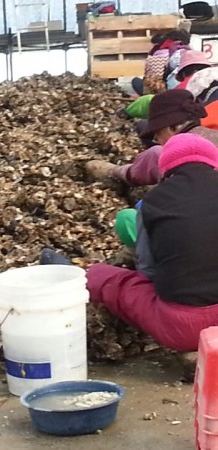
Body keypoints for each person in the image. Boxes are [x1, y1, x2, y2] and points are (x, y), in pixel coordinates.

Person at [42, 133, 218, 365]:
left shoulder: (154, 202)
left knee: (112, 281)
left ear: (166, 169)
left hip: (181, 328)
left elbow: (148, 271)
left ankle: (73, 275)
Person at [86, 89, 218, 186]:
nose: (156, 139)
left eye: (157, 134)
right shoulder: (212, 134)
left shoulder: (162, 154)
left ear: (171, 128)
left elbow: (132, 174)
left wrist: (113, 171)